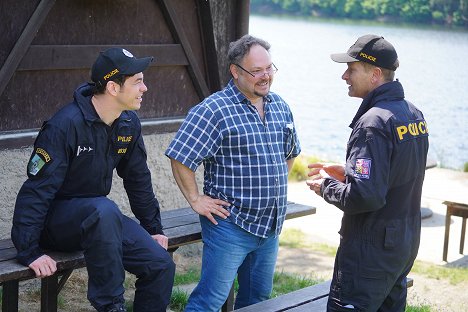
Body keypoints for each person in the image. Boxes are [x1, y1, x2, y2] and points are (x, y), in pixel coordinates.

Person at [12, 47, 175, 312]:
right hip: (56, 225)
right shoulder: (65, 125)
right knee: (103, 208)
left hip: (100, 221)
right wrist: (29, 250)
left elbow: (138, 180)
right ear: (113, 87)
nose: (145, 88)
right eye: (137, 82)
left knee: (160, 264)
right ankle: (112, 306)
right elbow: (36, 191)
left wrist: (153, 228)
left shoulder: (128, 123)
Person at [165, 34, 300, 311]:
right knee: (209, 301)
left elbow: (290, 153)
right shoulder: (214, 110)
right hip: (231, 227)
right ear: (235, 72)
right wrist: (195, 199)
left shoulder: (280, 106)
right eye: (256, 71)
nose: (265, 76)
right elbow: (180, 157)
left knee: (257, 300)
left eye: (269, 68)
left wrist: (272, 188)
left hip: (270, 227)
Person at [306, 34, 429, 311]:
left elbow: (365, 197)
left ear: (375, 74)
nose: (344, 76)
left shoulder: (372, 123)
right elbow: (393, 177)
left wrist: (327, 187)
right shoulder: (413, 114)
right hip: (403, 244)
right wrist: (349, 174)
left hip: (369, 251)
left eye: (351, 69)